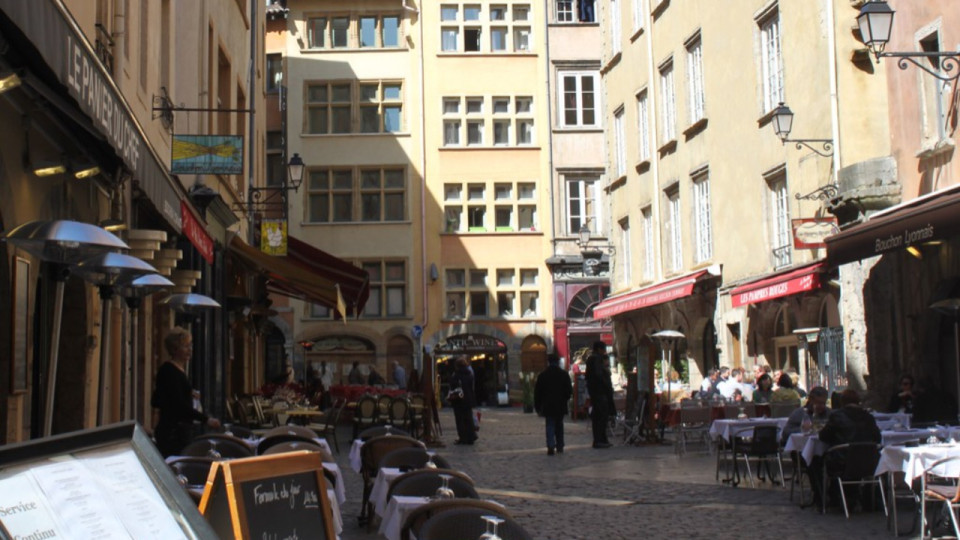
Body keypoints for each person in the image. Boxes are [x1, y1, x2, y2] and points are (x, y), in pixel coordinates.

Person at [152, 327, 220, 457]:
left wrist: (188, 393)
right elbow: (177, 404)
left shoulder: (177, 371)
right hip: (173, 432)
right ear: (175, 349)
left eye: (190, 345)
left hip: (180, 430)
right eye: (185, 346)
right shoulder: (169, 371)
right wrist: (206, 419)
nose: (190, 350)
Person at [534, 353, 573, 455]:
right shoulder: (564, 374)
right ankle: (560, 445)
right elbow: (569, 390)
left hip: (548, 405)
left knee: (550, 425)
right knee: (559, 425)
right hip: (560, 404)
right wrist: (565, 399)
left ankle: (550, 445)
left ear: (548, 362)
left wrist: (538, 406)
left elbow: (538, 392)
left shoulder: (543, 375)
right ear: (558, 362)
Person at [585, 341, 613, 449]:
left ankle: (600, 439)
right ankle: (600, 440)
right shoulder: (596, 359)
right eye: (603, 349)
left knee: (598, 416)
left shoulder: (591, 359)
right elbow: (599, 375)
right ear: (599, 349)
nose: (604, 351)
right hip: (600, 392)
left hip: (594, 392)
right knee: (602, 416)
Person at [448, 356, 477, 445]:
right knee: (468, 418)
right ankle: (471, 436)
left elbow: (453, 385)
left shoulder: (456, 374)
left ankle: (463, 437)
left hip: (459, 400)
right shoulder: (469, 373)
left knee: (460, 419)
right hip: (468, 398)